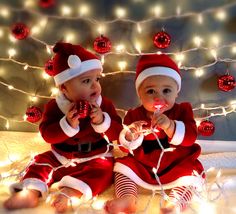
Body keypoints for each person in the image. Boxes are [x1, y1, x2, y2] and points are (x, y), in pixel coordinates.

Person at [4, 42, 123, 213]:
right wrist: (67, 124)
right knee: (40, 162)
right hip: (61, 156)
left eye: (97, 79)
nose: (95, 86)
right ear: (64, 88)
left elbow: (118, 132)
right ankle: (31, 192)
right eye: (86, 81)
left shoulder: (104, 104)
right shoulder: (55, 107)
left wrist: (102, 120)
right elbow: (47, 134)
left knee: (105, 172)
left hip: (96, 156)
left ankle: (70, 192)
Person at [105, 54, 205, 214]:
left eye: (166, 90)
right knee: (122, 167)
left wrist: (171, 126)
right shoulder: (134, 115)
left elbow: (190, 137)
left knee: (191, 175)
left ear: (176, 93)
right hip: (144, 164)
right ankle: (128, 197)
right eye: (151, 91)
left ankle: (175, 204)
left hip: (176, 162)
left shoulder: (183, 110)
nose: (159, 97)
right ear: (140, 94)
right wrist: (131, 134)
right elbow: (125, 148)